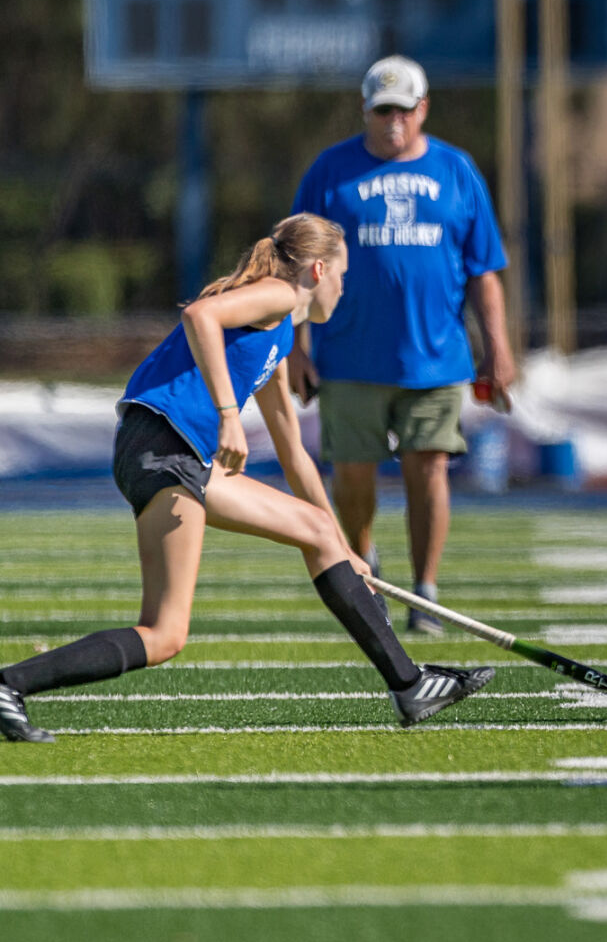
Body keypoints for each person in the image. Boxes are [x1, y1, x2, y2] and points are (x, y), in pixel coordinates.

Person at [0, 216, 494, 743]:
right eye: (343, 276)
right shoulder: (278, 296)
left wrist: (347, 551)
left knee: (310, 532)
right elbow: (201, 315)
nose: (343, 289)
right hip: (166, 448)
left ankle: (409, 684)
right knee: (165, 633)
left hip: (169, 454)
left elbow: (295, 458)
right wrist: (229, 413)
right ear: (319, 269)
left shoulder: (278, 339)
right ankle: (9, 684)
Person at [286, 55, 516, 634]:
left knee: (429, 469)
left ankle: (424, 590)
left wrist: (500, 347)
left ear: (424, 110)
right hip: (348, 356)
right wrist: (296, 347)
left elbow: (484, 269)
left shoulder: (457, 170)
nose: (393, 122)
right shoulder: (330, 171)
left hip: (436, 356)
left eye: (404, 111)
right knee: (354, 478)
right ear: (366, 110)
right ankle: (365, 569)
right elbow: (296, 264)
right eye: (382, 111)